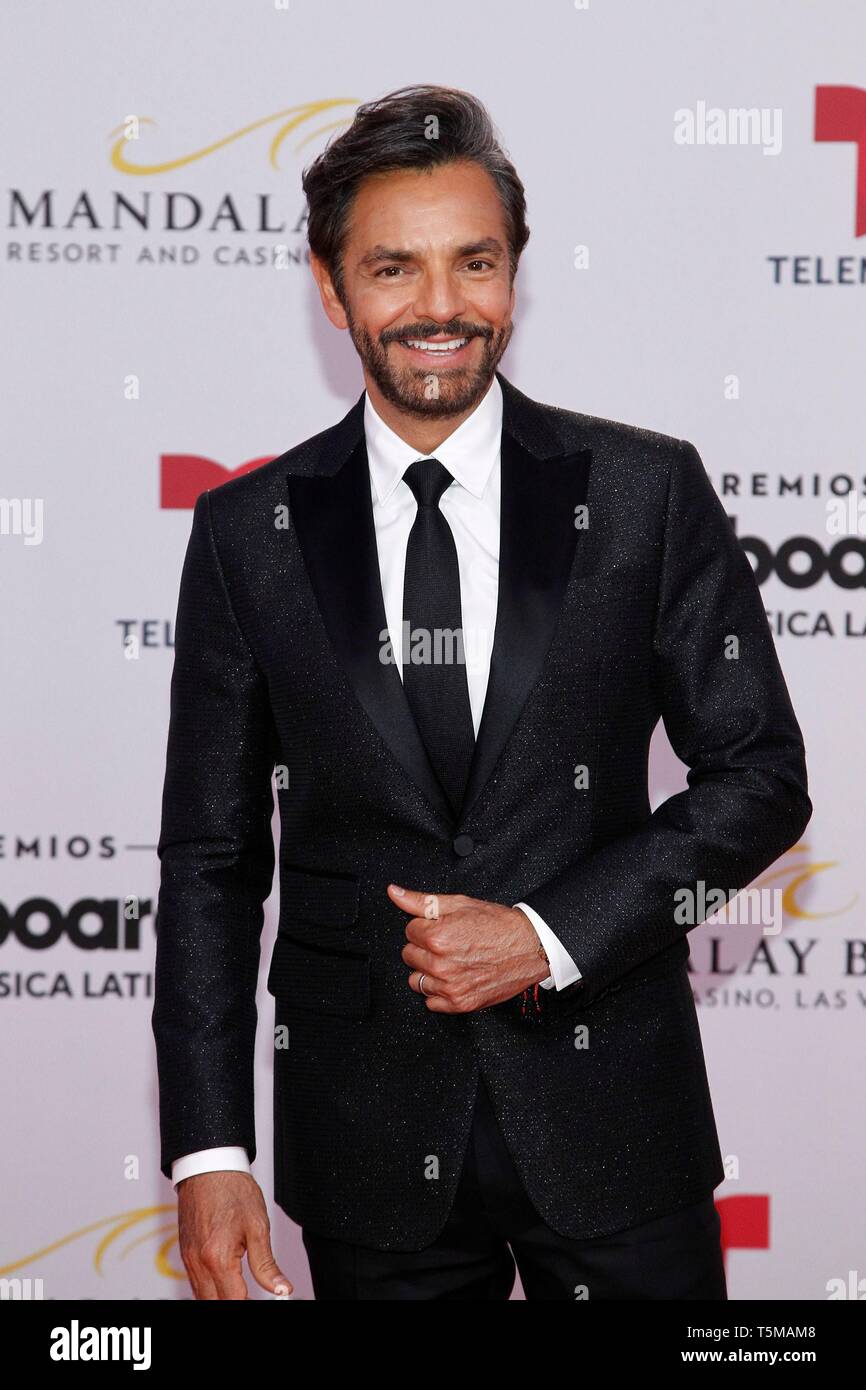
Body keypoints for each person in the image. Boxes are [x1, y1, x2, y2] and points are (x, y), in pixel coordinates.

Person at [152, 84, 811, 1300]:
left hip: (616, 1123)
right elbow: (208, 856)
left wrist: (543, 936)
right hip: (362, 1144)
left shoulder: (641, 492)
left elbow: (760, 775)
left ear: (514, 274)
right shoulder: (250, 531)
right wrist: (207, 1146)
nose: (440, 307)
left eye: (475, 263)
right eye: (393, 269)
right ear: (330, 286)